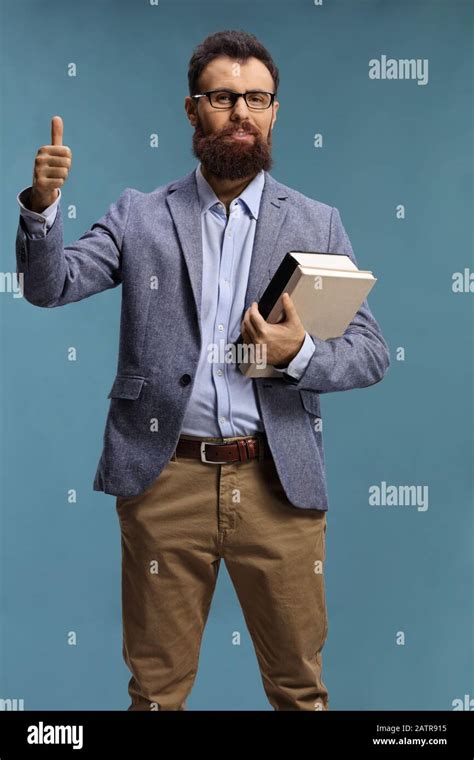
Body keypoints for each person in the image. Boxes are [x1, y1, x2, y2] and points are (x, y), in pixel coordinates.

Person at [15, 29, 390, 711]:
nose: (241, 112)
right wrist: (42, 210)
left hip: (278, 484)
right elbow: (51, 286)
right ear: (193, 110)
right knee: (155, 694)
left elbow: (371, 353)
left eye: (257, 98)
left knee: (299, 691)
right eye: (223, 96)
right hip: (165, 481)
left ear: (275, 109)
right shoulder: (141, 214)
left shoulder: (316, 222)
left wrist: (297, 355)